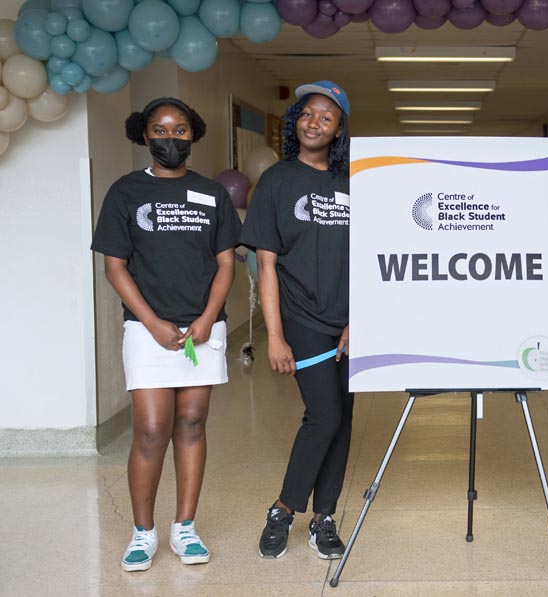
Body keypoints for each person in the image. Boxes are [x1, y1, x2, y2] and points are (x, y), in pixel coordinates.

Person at [91, 97, 242, 571]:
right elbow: (115, 266)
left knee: (192, 424)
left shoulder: (212, 195)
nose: (170, 138)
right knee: (152, 429)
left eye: (179, 130)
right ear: (144, 135)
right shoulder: (125, 192)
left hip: (202, 329)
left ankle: (185, 529)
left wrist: (207, 317)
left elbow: (225, 263)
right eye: (160, 130)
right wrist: (153, 323)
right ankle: (143, 533)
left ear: (193, 135)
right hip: (147, 328)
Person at [239, 81, 353, 561]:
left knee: (343, 421)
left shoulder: (354, 182)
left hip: (351, 321)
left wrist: (361, 319)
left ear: (339, 129)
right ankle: (284, 508)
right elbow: (266, 265)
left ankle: (324, 517)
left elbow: (373, 258)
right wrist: (276, 337)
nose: (315, 122)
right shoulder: (276, 182)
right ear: (296, 121)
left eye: (326, 117)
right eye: (308, 113)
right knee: (323, 414)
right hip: (302, 318)